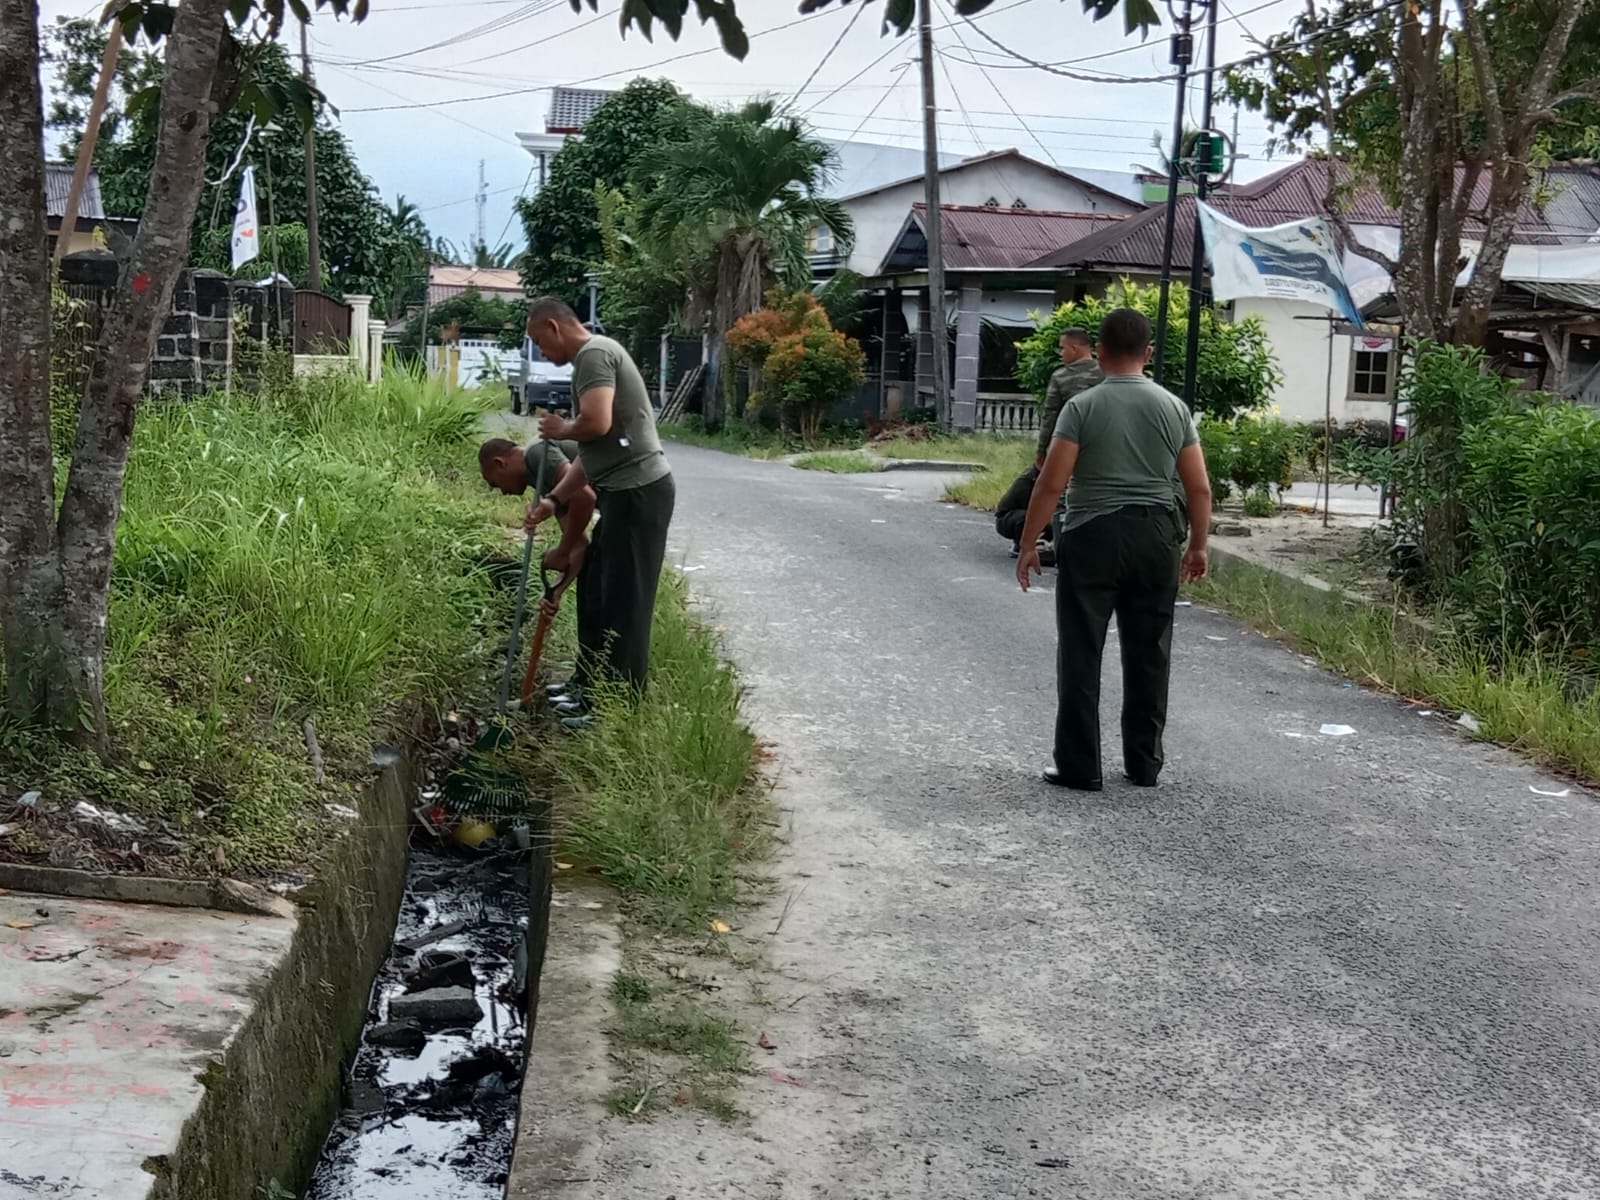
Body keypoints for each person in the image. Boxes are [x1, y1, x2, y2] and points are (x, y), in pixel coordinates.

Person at [1016, 307, 1212, 792]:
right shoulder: (1173, 408)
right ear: (1148, 354)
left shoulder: (1081, 407)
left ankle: (1080, 766)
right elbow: (1199, 488)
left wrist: (1028, 544)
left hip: (1092, 535)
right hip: (1156, 536)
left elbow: (1051, 484)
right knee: (1150, 652)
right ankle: (1144, 764)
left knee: (1082, 650)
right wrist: (1198, 547)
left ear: (1098, 352)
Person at [522, 297, 675, 725]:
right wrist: (553, 500)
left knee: (627, 605)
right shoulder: (589, 361)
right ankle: (591, 690)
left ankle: (618, 711)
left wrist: (561, 429)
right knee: (601, 594)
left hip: (639, 493)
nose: (543, 353)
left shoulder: (593, 354)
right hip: (623, 495)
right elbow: (592, 454)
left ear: (554, 327)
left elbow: (596, 424)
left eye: (540, 341)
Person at [479, 436, 596, 594]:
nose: (503, 492)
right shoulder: (543, 484)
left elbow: (585, 497)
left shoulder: (536, 453)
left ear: (500, 463)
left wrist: (562, 551)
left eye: (495, 483)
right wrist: (554, 593)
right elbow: (579, 545)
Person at [1037, 327, 1100, 462]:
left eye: (1062, 348)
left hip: (1069, 441)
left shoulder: (1061, 376)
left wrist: (1042, 448)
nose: (1060, 353)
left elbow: (1050, 415)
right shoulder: (1107, 372)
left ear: (1074, 348)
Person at [994, 463, 1054, 567]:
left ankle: (1042, 545)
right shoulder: (1028, 482)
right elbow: (1035, 510)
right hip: (1008, 519)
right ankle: (1021, 545)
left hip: (1033, 516)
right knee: (1030, 518)